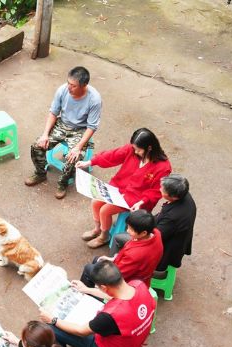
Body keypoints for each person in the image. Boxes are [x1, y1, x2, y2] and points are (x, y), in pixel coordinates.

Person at [41, 260, 155, 347]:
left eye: (98, 287)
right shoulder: (138, 285)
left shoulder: (110, 316)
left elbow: (81, 331)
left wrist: (53, 319)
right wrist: (86, 289)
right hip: (132, 345)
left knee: (50, 329)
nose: (97, 288)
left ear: (104, 287)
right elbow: (113, 295)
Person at [76, 128, 172, 248]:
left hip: (137, 198)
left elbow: (156, 191)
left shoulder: (163, 167)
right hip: (119, 187)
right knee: (95, 202)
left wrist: (142, 201)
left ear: (150, 148)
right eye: (134, 148)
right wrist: (90, 162)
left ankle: (104, 236)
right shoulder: (132, 149)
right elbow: (113, 155)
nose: (135, 152)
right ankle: (97, 229)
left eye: (138, 150)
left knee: (105, 210)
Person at [25, 66, 101, 199]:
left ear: (84, 85)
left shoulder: (94, 99)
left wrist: (78, 147)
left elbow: (92, 126)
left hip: (80, 130)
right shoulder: (62, 90)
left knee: (73, 156)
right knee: (36, 145)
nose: (69, 87)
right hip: (62, 124)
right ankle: (40, 174)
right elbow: (53, 112)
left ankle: (63, 183)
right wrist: (45, 134)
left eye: (73, 85)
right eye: (68, 83)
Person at [111, 174, 196, 278]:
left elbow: (153, 236)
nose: (160, 189)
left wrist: (140, 219)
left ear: (173, 197)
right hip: (172, 236)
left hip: (163, 252)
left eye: (162, 189)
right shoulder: (185, 195)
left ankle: (114, 271)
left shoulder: (172, 218)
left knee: (118, 238)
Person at [80, 209, 163, 288]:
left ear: (144, 233)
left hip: (129, 283)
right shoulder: (156, 233)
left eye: (131, 229)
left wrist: (111, 264)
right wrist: (113, 259)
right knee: (97, 260)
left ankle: (87, 295)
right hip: (140, 274)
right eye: (128, 227)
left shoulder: (135, 255)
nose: (127, 231)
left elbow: (118, 275)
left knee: (88, 269)